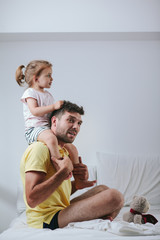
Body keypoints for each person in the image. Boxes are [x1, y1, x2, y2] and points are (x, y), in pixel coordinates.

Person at [20, 101, 124, 230]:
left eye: (79, 123)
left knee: (103, 189)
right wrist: (63, 172)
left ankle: (102, 218)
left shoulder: (63, 151)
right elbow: (32, 199)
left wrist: (77, 185)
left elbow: (55, 193)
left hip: (61, 209)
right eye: (70, 120)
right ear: (54, 122)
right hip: (46, 219)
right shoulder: (39, 149)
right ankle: (100, 217)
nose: (76, 127)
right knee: (115, 197)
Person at [16, 60, 78, 178]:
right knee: (51, 138)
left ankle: (78, 175)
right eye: (48, 75)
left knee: (71, 147)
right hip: (34, 130)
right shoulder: (30, 93)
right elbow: (34, 111)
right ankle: (60, 167)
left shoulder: (48, 95)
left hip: (47, 128)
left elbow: (51, 115)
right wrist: (53, 106)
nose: (52, 78)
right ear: (36, 78)